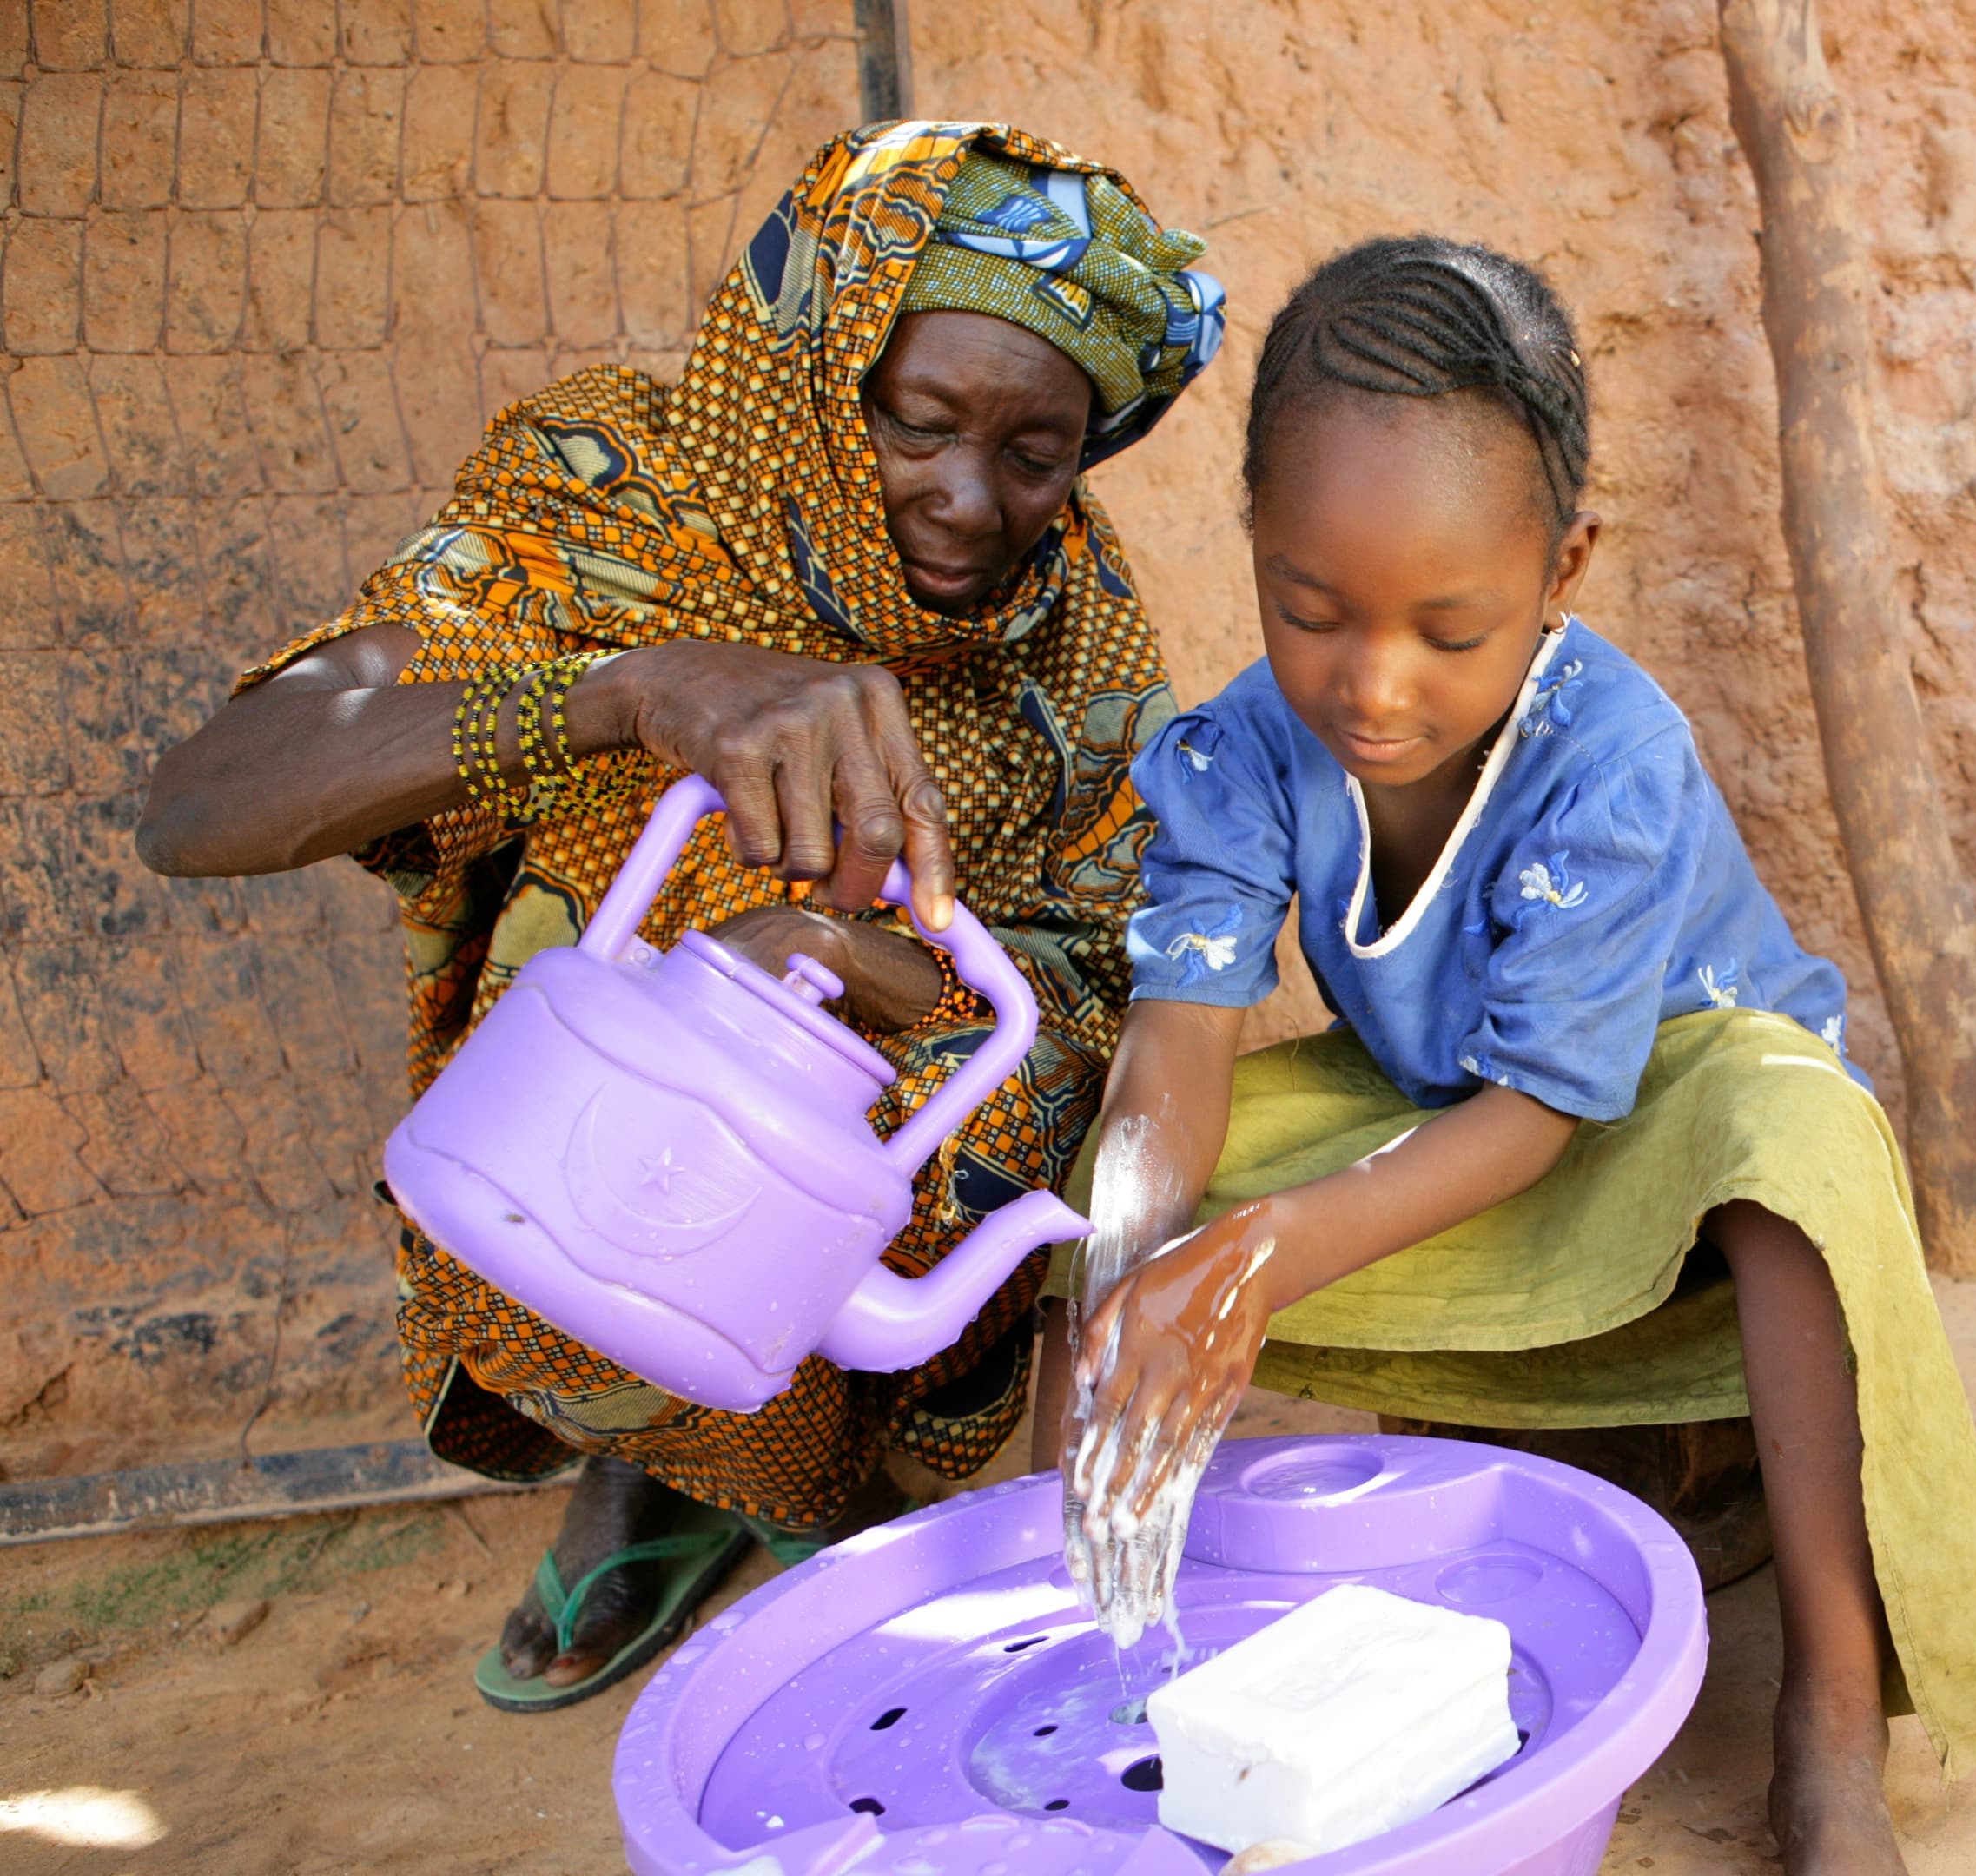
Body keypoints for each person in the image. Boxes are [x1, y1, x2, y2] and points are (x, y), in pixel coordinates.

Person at [133, 124, 1225, 1708]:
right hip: (568, 1138)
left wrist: (871, 961)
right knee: (687, 856)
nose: (969, 502)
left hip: (869, 1102)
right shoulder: (613, 487)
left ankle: (792, 1475)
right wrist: (633, 694)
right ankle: (655, 1455)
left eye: (1036, 455)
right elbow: (197, 808)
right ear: (818, 364)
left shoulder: (1072, 621)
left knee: (1024, 1063)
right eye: (917, 424)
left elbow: (1109, 959)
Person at [1035, 237, 1976, 1873]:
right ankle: (1086, 1604)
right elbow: (1177, 1048)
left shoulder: (1613, 755)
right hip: (1449, 1121)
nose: (1372, 683)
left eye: (1451, 628)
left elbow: (1536, 1122)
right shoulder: (1237, 747)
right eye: (1310, 610)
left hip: (1666, 1154)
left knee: (1795, 1134)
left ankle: (1833, 1711)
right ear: (1257, 554)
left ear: (1563, 568)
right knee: (1112, 1184)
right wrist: (1138, 1282)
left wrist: (1261, 1259)